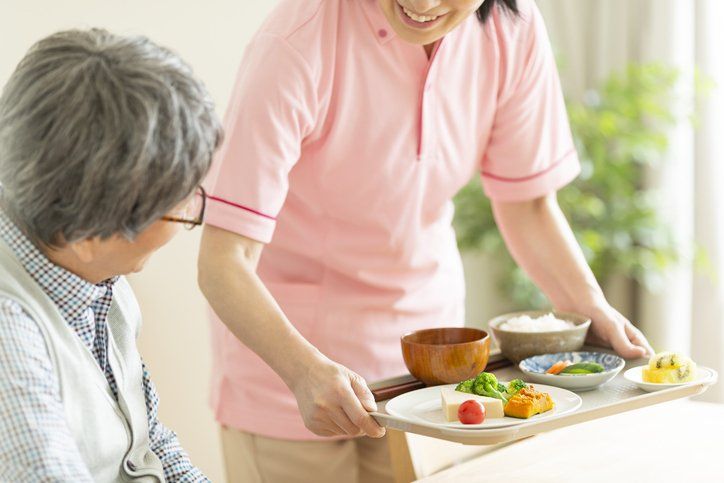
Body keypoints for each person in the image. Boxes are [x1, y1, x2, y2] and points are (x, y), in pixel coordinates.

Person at [198, 1, 654, 481]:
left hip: (430, 376)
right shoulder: (298, 41)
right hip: (289, 370)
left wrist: (589, 308)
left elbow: (527, 205)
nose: (422, 3)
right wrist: (303, 371)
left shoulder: (510, 29)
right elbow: (224, 261)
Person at [0, 29, 221, 481]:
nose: (191, 212)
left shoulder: (89, 268)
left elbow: (145, 438)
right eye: (178, 208)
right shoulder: (9, 335)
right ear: (88, 230)